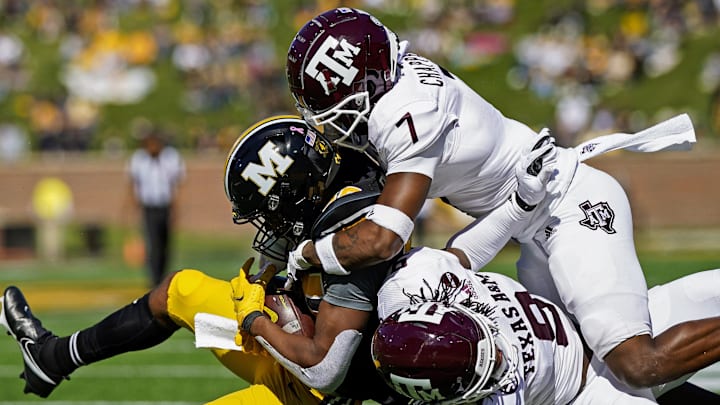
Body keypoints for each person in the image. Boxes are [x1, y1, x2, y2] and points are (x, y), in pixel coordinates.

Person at [284, 7, 719, 389]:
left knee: (636, 363)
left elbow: (384, 239)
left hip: (567, 206)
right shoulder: (395, 86)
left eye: (332, 106)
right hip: (530, 219)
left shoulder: (407, 112)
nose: (329, 123)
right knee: (587, 375)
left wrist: (305, 255)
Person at [0, 116, 401, 404]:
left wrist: (254, 320)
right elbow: (277, 254)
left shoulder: (353, 233)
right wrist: (262, 285)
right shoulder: (320, 186)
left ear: (298, 191)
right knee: (179, 290)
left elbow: (324, 370)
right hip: (283, 342)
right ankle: (51, 357)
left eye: (270, 209)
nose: (267, 224)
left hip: (314, 386)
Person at [371, 246, 720, 404]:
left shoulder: (418, 277)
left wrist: (518, 204)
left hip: (593, 328)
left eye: (486, 349)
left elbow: (465, 250)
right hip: (587, 395)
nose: (498, 361)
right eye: (484, 375)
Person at [126, 128, 185, 287]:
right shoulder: (138, 159)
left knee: (165, 243)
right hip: (149, 207)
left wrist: (175, 209)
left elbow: (176, 184)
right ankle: (154, 280)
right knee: (152, 243)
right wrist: (133, 207)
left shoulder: (171, 157)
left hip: (164, 206)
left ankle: (163, 276)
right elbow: (133, 184)